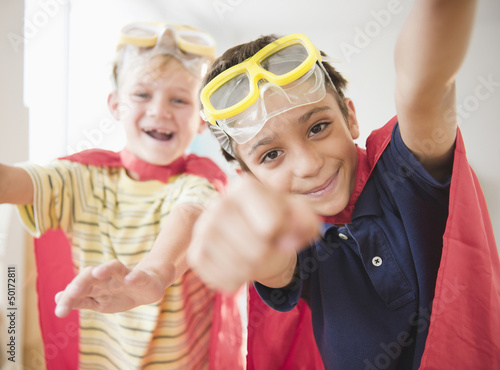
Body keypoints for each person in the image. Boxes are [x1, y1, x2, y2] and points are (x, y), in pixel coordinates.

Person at [187, 1, 500, 369]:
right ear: (250, 181)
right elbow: (270, 260)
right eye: (271, 155)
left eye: (318, 128)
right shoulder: (294, 243)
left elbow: (423, 87)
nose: (309, 164)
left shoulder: (405, 168)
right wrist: (239, 239)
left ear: (350, 117)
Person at [0, 22, 243, 369]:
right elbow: (9, 183)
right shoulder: (80, 178)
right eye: (142, 95)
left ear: (202, 120)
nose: (160, 110)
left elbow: (193, 214)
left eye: (179, 99)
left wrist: (156, 274)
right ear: (115, 105)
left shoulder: (200, 182)